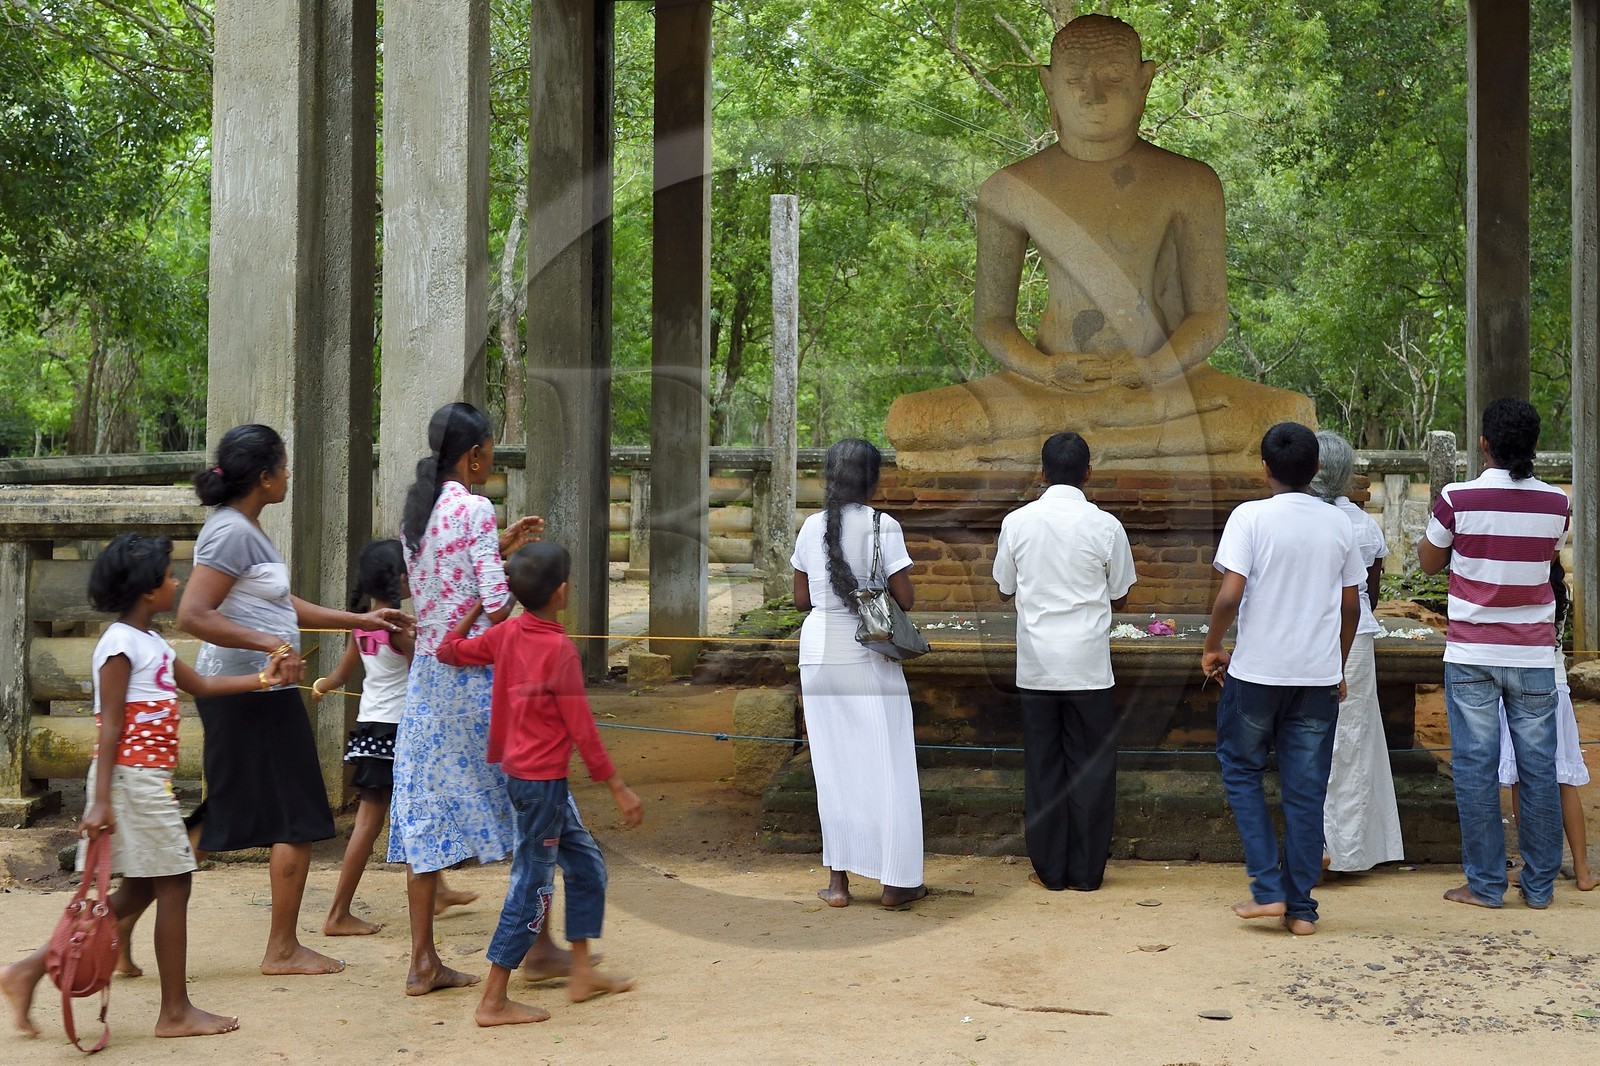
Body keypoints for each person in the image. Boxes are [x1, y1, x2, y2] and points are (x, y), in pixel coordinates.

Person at [884, 13, 1312, 472]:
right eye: (1074, 80)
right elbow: (992, 323)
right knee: (913, 420)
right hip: (1049, 388)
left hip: (1166, 385)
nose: (1093, 95)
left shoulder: (1190, 182)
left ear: (1144, 82)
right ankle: (1131, 442)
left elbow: (1209, 316)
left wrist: (1153, 370)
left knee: (1289, 414)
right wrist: (1046, 370)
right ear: (1049, 85)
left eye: (1112, 78)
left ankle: (1067, 448)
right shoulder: (1009, 189)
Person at [1, 534, 288, 1037]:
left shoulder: (151, 642)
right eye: (169, 576)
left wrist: (264, 680)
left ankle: (26, 972)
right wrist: (101, 801)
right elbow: (110, 726)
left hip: (146, 781)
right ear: (145, 590)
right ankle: (174, 1011)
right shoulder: (118, 644)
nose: (177, 582)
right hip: (131, 782)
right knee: (176, 880)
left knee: (136, 894)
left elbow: (200, 686)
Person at [174, 425, 411, 976]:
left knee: (231, 817)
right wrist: (269, 646)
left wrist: (358, 619)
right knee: (297, 815)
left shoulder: (246, 529)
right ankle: (280, 947)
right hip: (249, 692)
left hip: (260, 690)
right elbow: (193, 615)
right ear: (263, 477)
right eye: (284, 465)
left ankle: (119, 921)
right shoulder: (231, 533)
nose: (289, 474)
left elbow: (282, 605)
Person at [434, 543, 643, 1026]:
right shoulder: (559, 649)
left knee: (587, 864)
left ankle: (580, 971)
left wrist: (473, 609)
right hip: (542, 785)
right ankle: (493, 998)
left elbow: (448, 651)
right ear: (564, 592)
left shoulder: (506, 633)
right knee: (531, 884)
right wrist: (617, 786)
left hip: (525, 780)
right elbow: (582, 728)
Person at [387, 402, 547, 995]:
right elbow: (497, 602)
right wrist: (501, 570)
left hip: (428, 678)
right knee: (534, 797)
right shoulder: (476, 507)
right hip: (479, 679)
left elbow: (433, 582)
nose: (492, 461)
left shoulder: (417, 513)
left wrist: (492, 552)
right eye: (491, 451)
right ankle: (544, 946)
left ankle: (422, 960)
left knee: (425, 811)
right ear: (475, 455)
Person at [1201, 423, 1363, 936]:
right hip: (1316, 677)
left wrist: (1212, 645)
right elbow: (1351, 605)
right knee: (1306, 789)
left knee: (1241, 768)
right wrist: (1336, 665)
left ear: (1265, 468)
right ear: (1316, 470)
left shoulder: (1249, 517)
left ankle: (1267, 888)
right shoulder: (1339, 524)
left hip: (1257, 673)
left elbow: (1230, 595)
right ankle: (1302, 910)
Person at [1419, 398, 1571, 910]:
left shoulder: (1457, 498)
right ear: (1533, 446)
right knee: (1537, 769)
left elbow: (1427, 562)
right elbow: (1545, 559)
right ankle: (1540, 886)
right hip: (1532, 655)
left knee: (1475, 769)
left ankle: (1485, 885)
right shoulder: (1557, 504)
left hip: (1472, 653)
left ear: (1484, 443)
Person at [992, 431, 1135, 891]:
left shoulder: (1017, 523)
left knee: (1044, 767)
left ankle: (1050, 871)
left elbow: (1005, 587)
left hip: (1036, 665)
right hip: (1089, 666)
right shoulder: (1106, 526)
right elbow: (1122, 593)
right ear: (1088, 472)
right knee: (1091, 769)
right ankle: (1088, 873)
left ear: (1043, 471)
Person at [791, 438, 926, 908]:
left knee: (833, 769)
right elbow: (904, 600)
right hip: (867, 653)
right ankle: (895, 883)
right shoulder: (882, 526)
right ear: (873, 479)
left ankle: (838, 884)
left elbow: (802, 600)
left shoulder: (810, 528)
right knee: (887, 764)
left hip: (819, 656)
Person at [1310, 431, 1404, 875]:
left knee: (1313, 740)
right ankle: (1346, 849)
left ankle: (1326, 847)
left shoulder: (1294, 519)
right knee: (1351, 740)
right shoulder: (1363, 525)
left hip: (1307, 635)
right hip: (1357, 637)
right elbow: (1372, 591)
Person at [1499, 561, 1595, 892]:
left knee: (1520, 780)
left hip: (1520, 685)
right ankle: (1582, 870)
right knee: (1563, 780)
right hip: (1556, 684)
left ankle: (1533, 866)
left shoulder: (1520, 587)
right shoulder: (1557, 591)